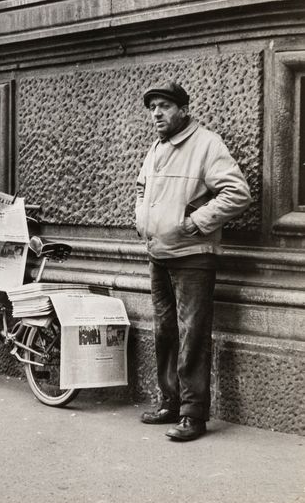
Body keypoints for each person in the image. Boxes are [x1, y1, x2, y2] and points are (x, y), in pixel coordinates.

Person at [136, 81, 251, 441]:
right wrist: (142, 219)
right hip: (159, 254)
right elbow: (141, 187)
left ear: (183, 109)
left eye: (165, 106)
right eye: (152, 106)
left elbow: (237, 193)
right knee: (165, 331)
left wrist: (194, 223)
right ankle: (170, 401)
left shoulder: (206, 144)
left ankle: (193, 415)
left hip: (193, 257)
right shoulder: (156, 146)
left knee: (193, 335)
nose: (156, 113)